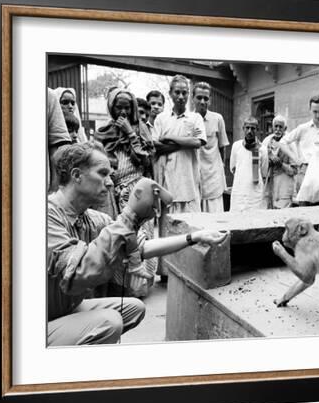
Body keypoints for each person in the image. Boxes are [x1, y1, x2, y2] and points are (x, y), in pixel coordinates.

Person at [47, 142, 228, 346]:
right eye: (102, 173)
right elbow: (77, 274)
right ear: (77, 175)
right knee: (110, 322)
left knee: (133, 308)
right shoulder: (47, 216)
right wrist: (129, 216)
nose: (110, 182)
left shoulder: (91, 218)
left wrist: (194, 237)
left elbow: (141, 249)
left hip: (67, 309)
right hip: (42, 324)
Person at [95, 89, 156, 296]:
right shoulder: (104, 132)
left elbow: (147, 160)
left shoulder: (141, 130)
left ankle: (141, 287)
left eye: (127, 107)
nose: (122, 111)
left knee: (142, 237)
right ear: (111, 108)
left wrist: (130, 133)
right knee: (121, 239)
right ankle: (123, 288)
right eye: (118, 107)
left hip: (139, 190)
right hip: (115, 192)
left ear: (133, 109)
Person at [152, 75, 206, 213]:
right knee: (169, 231)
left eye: (184, 92)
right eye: (177, 92)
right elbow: (156, 146)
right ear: (170, 93)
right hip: (167, 184)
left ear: (188, 94)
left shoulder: (195, 118)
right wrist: (184, 144)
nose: (181, 96)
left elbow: (197, 142)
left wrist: (169, 137)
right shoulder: (161, 119)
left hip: (189, 185)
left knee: (192, 230)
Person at [278, 95, 319, 206]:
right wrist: (296, 159)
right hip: (305, 170)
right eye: (315, 111)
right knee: (304, 209)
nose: (318, 115)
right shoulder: (303, 128)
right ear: (310, 110)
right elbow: (282, 142)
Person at [192, 82, 229, 213]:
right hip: (194, 175)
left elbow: (222, 147)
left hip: (213, 176)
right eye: (199, 97)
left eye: (206, 98)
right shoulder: (188, 119)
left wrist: (220, 169)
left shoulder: (217, 119)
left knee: (215, 215)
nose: (202, 101)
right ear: (193, 99)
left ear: (210, 100)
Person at [229, 117, 266, 212]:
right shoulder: (236, 146)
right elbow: (232, 168)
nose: (250, 131)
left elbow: (264, 171)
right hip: (239, 190)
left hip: (255, 192)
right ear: (243, 128)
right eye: (247, 128)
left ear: (257, 130)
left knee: (255, 219)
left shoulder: (262, 149)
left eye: (253, 128)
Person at [260, 115, 296, 209]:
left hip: (284, 185)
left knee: (282, 214)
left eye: (280, 127)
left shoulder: (290, 144)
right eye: (276, 126)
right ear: (272, 127)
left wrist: (281, 164)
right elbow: (261, 164)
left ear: (285, 128)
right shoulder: (266, 141)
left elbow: (294, 170)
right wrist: (269, 160)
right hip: (269, 184)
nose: (278, 129)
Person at [47, 88, 72, 193]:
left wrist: (54, 190)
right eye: (65, 102)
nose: (70, 106)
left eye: (72, 103)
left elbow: (57, 147)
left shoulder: (48, 96)